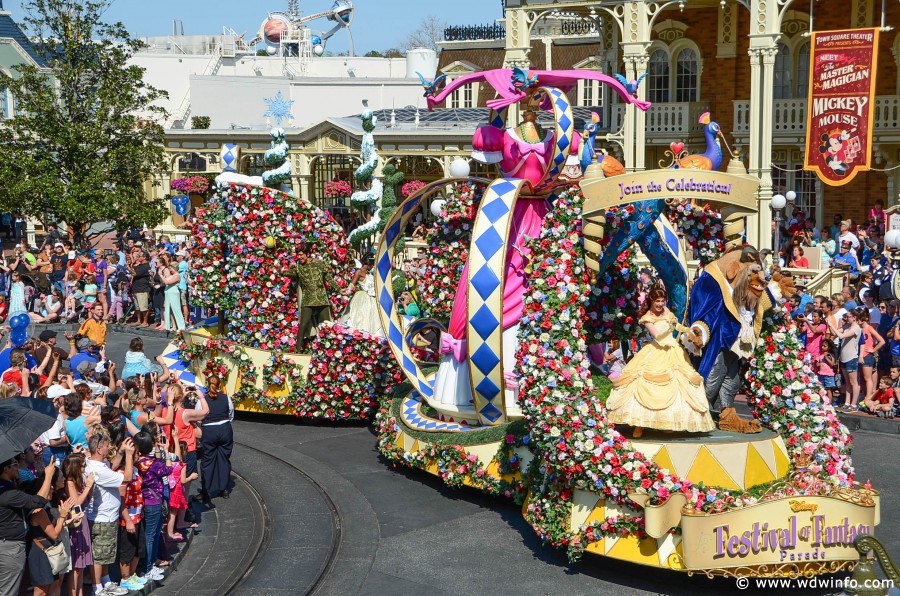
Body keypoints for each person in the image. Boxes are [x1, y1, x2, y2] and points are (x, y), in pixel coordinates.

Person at [605, 284, 715, 438]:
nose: (660, 304)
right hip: (656, 351)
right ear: (651, 300)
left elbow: (677, 326)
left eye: (662, 300)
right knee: (642, 383)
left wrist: (689, 331)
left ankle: (666, 423)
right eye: (657, 300)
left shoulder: (667, 311)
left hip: (673, 351)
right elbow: (658, 336)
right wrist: (670, 329)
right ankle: (638, 425)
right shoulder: (647, 318)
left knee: (680, 383)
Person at [84, 433, 133, 596]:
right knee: (99, 555)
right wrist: (128, 454)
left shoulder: (97, 465)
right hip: (102, 519)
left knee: (105, 554)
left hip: (107, 517)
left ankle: (105, 582)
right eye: (106, 445)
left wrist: (120, 451)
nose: (109, 448)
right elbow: (127, 477)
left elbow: (111, 466)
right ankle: (97, 588)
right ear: (99, 449)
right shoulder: (98, 470)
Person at [0, 456, 49, 596]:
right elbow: (38, 501)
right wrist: (49, 475)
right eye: (14, 465)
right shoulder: (8, 493)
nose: (17, 467)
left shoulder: (8, 488)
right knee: (8, 591)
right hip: (9, 547)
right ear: (5, 469)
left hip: (7, 544)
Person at [26, 465, 77, 596]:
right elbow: (54, 534)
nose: (53, 488)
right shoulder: (39, 511)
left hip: (46, 551)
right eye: (49, 486)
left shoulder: (45, 508)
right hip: (41, 553)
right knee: (41, 591)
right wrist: (62, 515)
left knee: (49, 587)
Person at [133, 431, 170, 581]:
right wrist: (166, 452)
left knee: (150, 535)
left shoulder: (137, 463)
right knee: (151, 536)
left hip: (144, 501)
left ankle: (149, 565)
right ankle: (148, 568)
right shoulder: (153, 464)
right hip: (154, 503)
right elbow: (167, 470)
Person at [63, 454, 96, 596]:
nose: (84, 468)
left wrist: (90, 485)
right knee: (76, 566)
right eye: (82, 465)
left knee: (81, 566)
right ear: (75, 466)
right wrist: (88, 486)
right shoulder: (69, 482)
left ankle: (80, 593)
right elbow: (76, 503)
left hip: (83, 521)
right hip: (75, 524)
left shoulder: (78, 481)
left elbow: (87, 499)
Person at [199, 376, 233, 502]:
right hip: (225, 429)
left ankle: (206, 490)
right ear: (219, 385)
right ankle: (223, 489)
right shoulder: (226, 398)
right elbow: (230, 415)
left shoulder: (203, 400)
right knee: (224, 458)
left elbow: (199, 415)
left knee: (207, 461)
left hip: (209, 431)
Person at [292, 245, 332, 347]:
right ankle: (298, 348)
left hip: (321, 298)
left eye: (301, 255)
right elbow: (289, 273)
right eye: (298, 255)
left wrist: (340, 290)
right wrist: (281, 271)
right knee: (303, 324)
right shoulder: (298, 267)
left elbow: (329, 279)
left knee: (326, 324)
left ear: (308, 254)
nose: (299, 257)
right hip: (308, 299)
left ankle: (328, 347)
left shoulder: (320, 264)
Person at [828, 308, 862, 411]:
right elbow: (835, 333)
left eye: (848, 316)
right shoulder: (846, 326)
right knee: (847, 382)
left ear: (854, 318)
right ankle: (847, 402)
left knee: (853, 382)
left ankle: (854, 404)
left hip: (851, 358)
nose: (846, 318)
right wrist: (830, 324)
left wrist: (831, 323)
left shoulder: (856, 328)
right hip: (843, 357)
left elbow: (841, 336)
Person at [341, 256, 382, 336]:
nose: (373, 266)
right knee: (361, 317)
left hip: (372, 299)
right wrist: (347, 291)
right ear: (368, 264)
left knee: (371, 318)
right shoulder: (359, 272)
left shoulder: (369, 274)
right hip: (362, 298)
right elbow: (352, 283)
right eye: (372, 264)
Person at [857, 308, 885, 405]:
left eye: (860, 319)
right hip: (859, 354)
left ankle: (868, 396)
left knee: (867, 377)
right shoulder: (858, 328)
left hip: (867, 355)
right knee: (861, 377)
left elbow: (881, 341)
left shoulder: (869, 328)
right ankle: (864, 394)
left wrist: (873, 349)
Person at [154, 252, 184, 331]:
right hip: (168, 294)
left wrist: (161, 275)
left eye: (171, 268)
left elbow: (167, 282)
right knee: (170, 310)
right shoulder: (172, 275)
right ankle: (173, 326)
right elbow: (164, 281)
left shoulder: (177, 276)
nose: (170, 269)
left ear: (175, 268)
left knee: (176, 310)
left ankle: (181, 326)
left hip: (173, 294)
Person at [128, 252, 151, 328]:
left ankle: (145, 322)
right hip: (136, 289)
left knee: (143, 307)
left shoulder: (146, 266)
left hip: (142, 289)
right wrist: (131, 263)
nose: (138, 257)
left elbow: (134, 273)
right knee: (137, 307)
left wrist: (127, 266)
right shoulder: (140, 265)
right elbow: (132, 271)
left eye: (140, 256)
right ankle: (139, 320)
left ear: (144, 257)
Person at [819, 339, 838, 405]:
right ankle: (823, 401)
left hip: (828, 374)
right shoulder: (820, 355)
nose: (822, 347)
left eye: (824, 346)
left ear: (829, 347)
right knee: (822, 388)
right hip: (821, 373)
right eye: (822, 346)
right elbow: (819, 363)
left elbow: (832, 363)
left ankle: (829, 402)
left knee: (828, 388)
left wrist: (826, 357)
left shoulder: (829, 355)